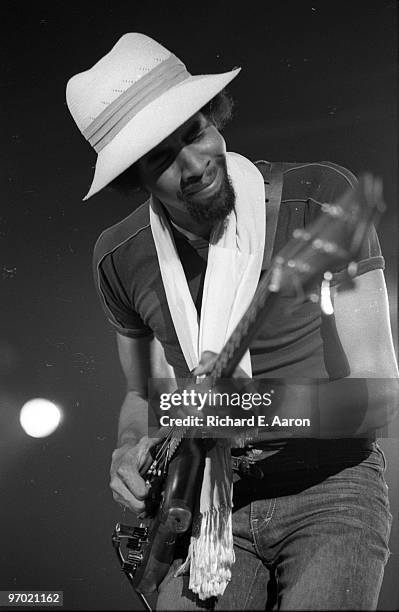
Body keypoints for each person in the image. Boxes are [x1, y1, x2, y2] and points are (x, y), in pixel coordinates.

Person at [66, 33, 398, 610]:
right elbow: (142, 397)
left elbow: (381, 396)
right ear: (134, 177)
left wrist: (236, 408)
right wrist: (126, 448)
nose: (194, 165)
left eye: (196, 133)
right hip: (201, 503)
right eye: (161, 157)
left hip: (331, 488)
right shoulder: (119, 258)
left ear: (214, 119)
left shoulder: (319, 197)